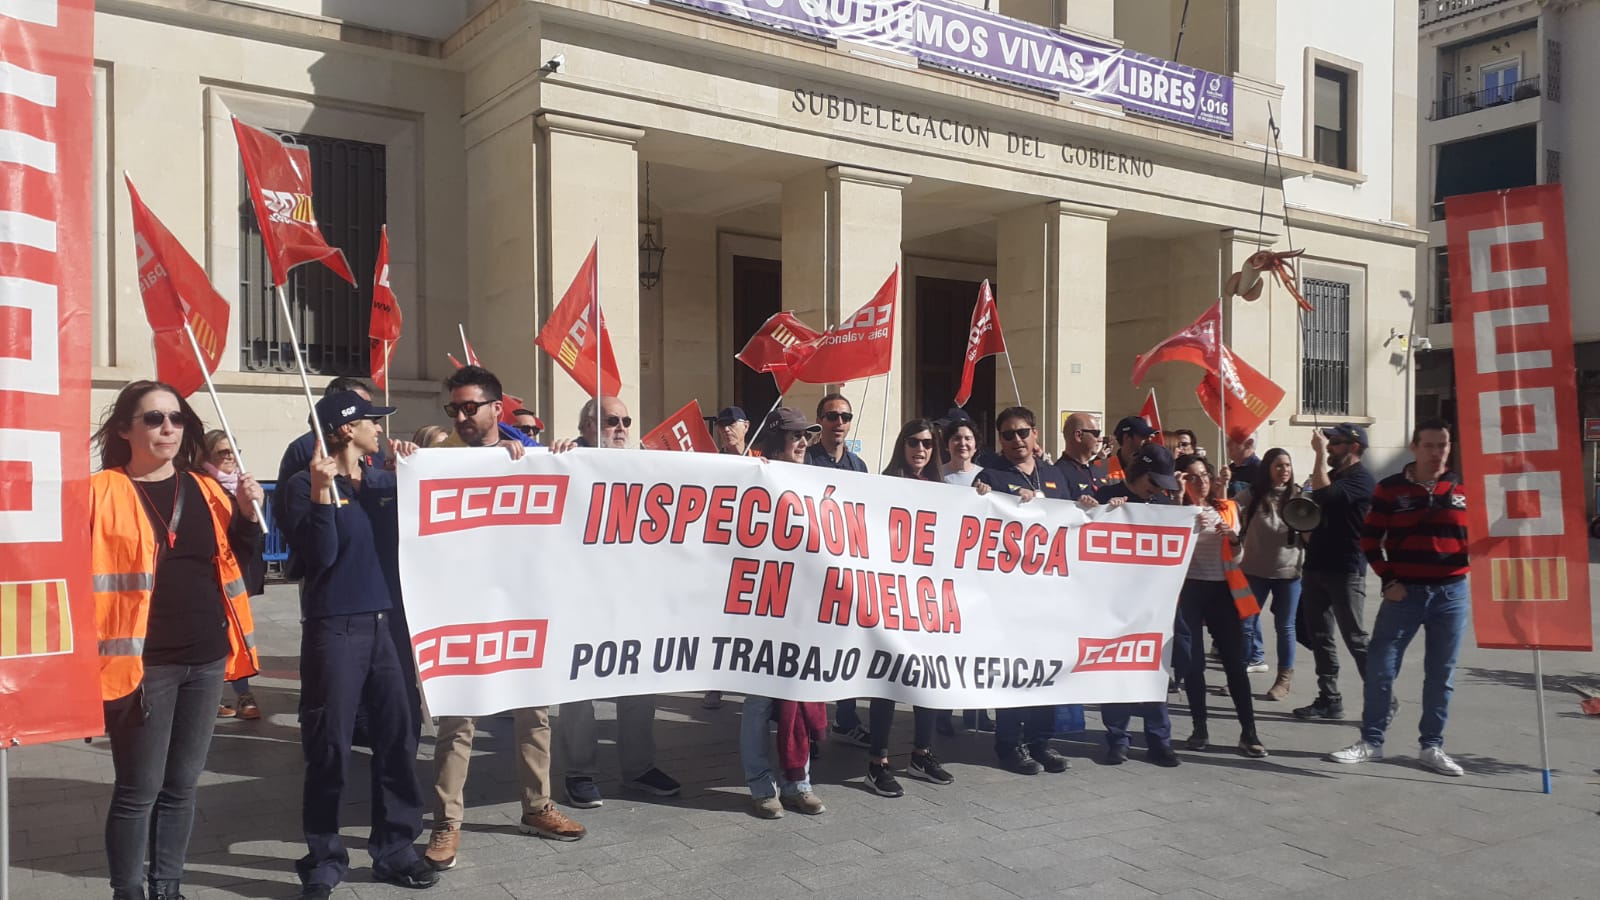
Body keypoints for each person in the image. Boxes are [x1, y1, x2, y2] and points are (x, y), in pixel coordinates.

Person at [92, 382, 263, 900]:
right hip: (140, 665)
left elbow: (246, 565)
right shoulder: (100, 490)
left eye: (176, 418)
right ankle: (128, 891)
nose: (167, 428)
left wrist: (250, 512)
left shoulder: (207, 489)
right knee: (138, 790)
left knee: (182, 786)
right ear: (125, 429)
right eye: (153, 419)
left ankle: (167, 886)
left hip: (206, 658)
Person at [427, 366, 585, 872]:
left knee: (534, 713)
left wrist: (557, 460)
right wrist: (407, 459)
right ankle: (447, 822)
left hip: (521, 604)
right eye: (454, 408)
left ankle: (537, 807)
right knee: (458, 719)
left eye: (470, 407)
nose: (461, 416)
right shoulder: (439, 461)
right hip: (462, 607)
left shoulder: (528, 456)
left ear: (498, 407)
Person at [282, 391, 437, 898]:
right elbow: (320, 556)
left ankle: (396, 848)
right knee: (329, 744)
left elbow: (422, 525)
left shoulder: (378, 483)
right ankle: (324, 855)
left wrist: (410, 469)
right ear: (346, 429)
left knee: (398, 734)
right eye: (373, 421)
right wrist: (324, 496)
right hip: (336, 627)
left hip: (387, 625)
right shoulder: (303, 484)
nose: (381, 427)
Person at [553, 396, 683, 808]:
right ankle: (580, 772)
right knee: (578, 692)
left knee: (640, 686)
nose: (622, 427)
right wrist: (551, 459)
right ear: (589, 425)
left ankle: (640, 767)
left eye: (627, 419)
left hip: (632, 598)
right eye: (612, 421)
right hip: (580, 598)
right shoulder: (565, 460)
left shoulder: (643, 466)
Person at [1330, 420, 1469, 776]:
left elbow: (1484, 534)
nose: (1437, 452)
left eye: (1443, 445)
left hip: (1451, 594)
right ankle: (1371, 742)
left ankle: (1431, 747)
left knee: (1441, 674)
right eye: (1429, 445)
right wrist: (1388, 578)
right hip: (1404, 593)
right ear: (1414, 447)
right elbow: (1369, 539)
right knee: (1380, 667)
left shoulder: (1464, 488)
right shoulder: (1390, 489)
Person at [974, 407, 1081, 776]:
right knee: (1016, 671)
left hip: (1052, 594)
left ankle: (1041, 741)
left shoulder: (1056, 475)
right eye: (1008, 435)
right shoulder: (991, 477)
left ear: (1035, 434)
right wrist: (985, 496)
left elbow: (1076, 522)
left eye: (1022, 433)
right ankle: (1009, 743)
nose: (1016, 441)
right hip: (1012, 596)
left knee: (1046, 670)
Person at [739, 409, 829, 817]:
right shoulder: (752, 474)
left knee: (799, 697)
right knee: (758, 704)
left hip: (802, 610)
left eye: (806, 436)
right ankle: (762, 786)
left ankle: (798, 783)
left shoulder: (817, 479)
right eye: (795, 436)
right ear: (777, 440)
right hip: (760, 608)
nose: (803, 442)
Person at [859, 419, 954, 795]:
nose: (921, 450)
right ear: (902, 445)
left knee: (925, 678)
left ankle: (921, 754)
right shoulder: (883, 485)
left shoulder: (945, 491)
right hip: (891, 596)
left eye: (928, 444)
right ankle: (877, 761)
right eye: (914, 442)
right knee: (888, 680)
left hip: (930, 600)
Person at [1093, 444, 1183, 767]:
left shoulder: (1161, 505)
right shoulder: (1106, 495)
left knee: (1152, 673)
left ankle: (1159, 741)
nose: (1157, 490)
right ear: (1138, 474)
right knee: (1115, 671)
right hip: (1112, 603)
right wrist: (1103, 510)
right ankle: (1117, 738)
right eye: (1154, 483)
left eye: (1162, 485)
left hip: (1151, 607)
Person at [1173, 455, 1268, 759]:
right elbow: (1169, 554)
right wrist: (1184, 520)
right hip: (1189, 590)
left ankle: (1249, 731)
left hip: (1223, 591)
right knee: (1193, 664)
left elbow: (1238, 558)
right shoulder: (1175, 512)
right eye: (1191, 476)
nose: (1199, 481)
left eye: (1203, 475)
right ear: (1182, 481)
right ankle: (1199, 727)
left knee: (1235, 664)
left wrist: (1235, 541)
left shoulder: (1227, 508)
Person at [1293, 424, 1378, 721]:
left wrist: (1316, 455)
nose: (1328, 447)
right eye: (1328, 442)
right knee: (1320, 636)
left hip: (1345, 569)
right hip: (1317, 564)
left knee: (1355, 638)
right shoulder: (1337, 476)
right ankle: (1329, 698)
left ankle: (1383, 699)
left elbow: (1325, 495)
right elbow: (1313, 506)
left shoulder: (1362, 480)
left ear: (1353, 447)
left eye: (1335, 443)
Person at [805, 393, 870, 746]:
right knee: (815, 649)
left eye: (845, 416)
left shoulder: (858, 466)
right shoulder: (807, 462)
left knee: (847, 646)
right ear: (821, 421)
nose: (839, 423)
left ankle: (846, 718)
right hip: (813, 569)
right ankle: (812, 725)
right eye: (832, 416)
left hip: (846, 571)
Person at [202, 429, 266, 722]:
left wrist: (252, 508)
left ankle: (242, 692)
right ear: (207, 456)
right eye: (222, 452)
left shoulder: (243, 484)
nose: (230, 457)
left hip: (239, 573)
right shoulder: (203, 486)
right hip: (213, 576)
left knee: (239, 633)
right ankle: (213, 695)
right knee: (218, 635)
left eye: (233, 452)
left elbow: (249, 536)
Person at [1235, 448, 1305, 700]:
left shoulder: (1299, 495)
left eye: (1287, 465)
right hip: (1254, 570)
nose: (1284, 470)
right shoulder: (1253, 494)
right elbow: (1228, 509)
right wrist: (1220, 488)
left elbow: (1310, 532)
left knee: (1285, 626)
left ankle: (1283, 680)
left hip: (1289, 572)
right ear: (1267, 468)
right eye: (1278, 465)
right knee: (1245, 623)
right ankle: (1238, 675)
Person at [1058, 412, 1108, 498]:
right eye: (1096, 434)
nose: (1100, 440)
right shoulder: (1058, 473)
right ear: (1079, 436)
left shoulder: (1098, 471)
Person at [938, 409, 984, 487]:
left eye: (968, 438)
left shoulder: (985, 476)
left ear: (975, 446)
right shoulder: (936, 475)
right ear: (947, 445)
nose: (962, 443)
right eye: (957, 438)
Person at [1105, 415, 1156, 484]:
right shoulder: (1102, 467)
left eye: (1150, 436)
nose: (1149, 440)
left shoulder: (1154, 466)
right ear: (1127, 437)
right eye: (1144, 436)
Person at [1226, 432, 1261, 498]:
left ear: (1249, 444)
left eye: (1233, 440)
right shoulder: (1229, 469)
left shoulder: (1260, 470)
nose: (1228, 444)